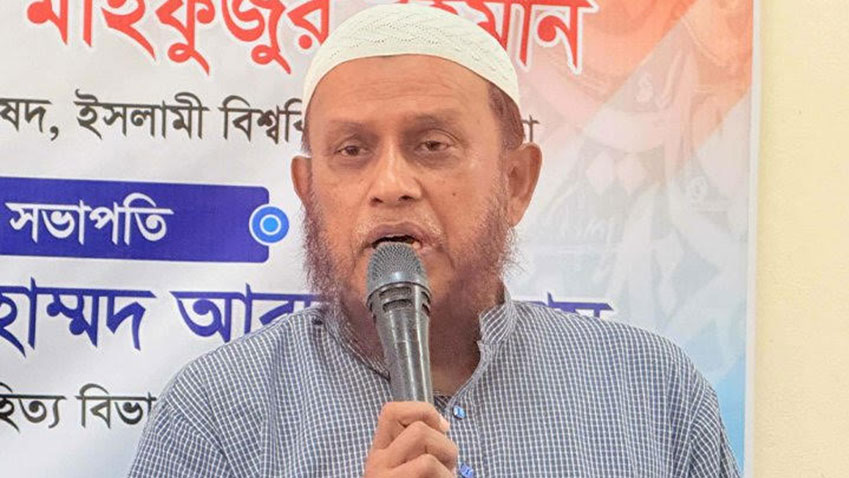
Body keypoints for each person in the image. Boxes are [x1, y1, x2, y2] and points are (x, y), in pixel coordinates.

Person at [129, 4, 739, 477]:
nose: (391, 185)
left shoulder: (651, 389)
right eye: (352, 150)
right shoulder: (216, 412)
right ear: (309, 190)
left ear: (516, 182)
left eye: (432, 145)